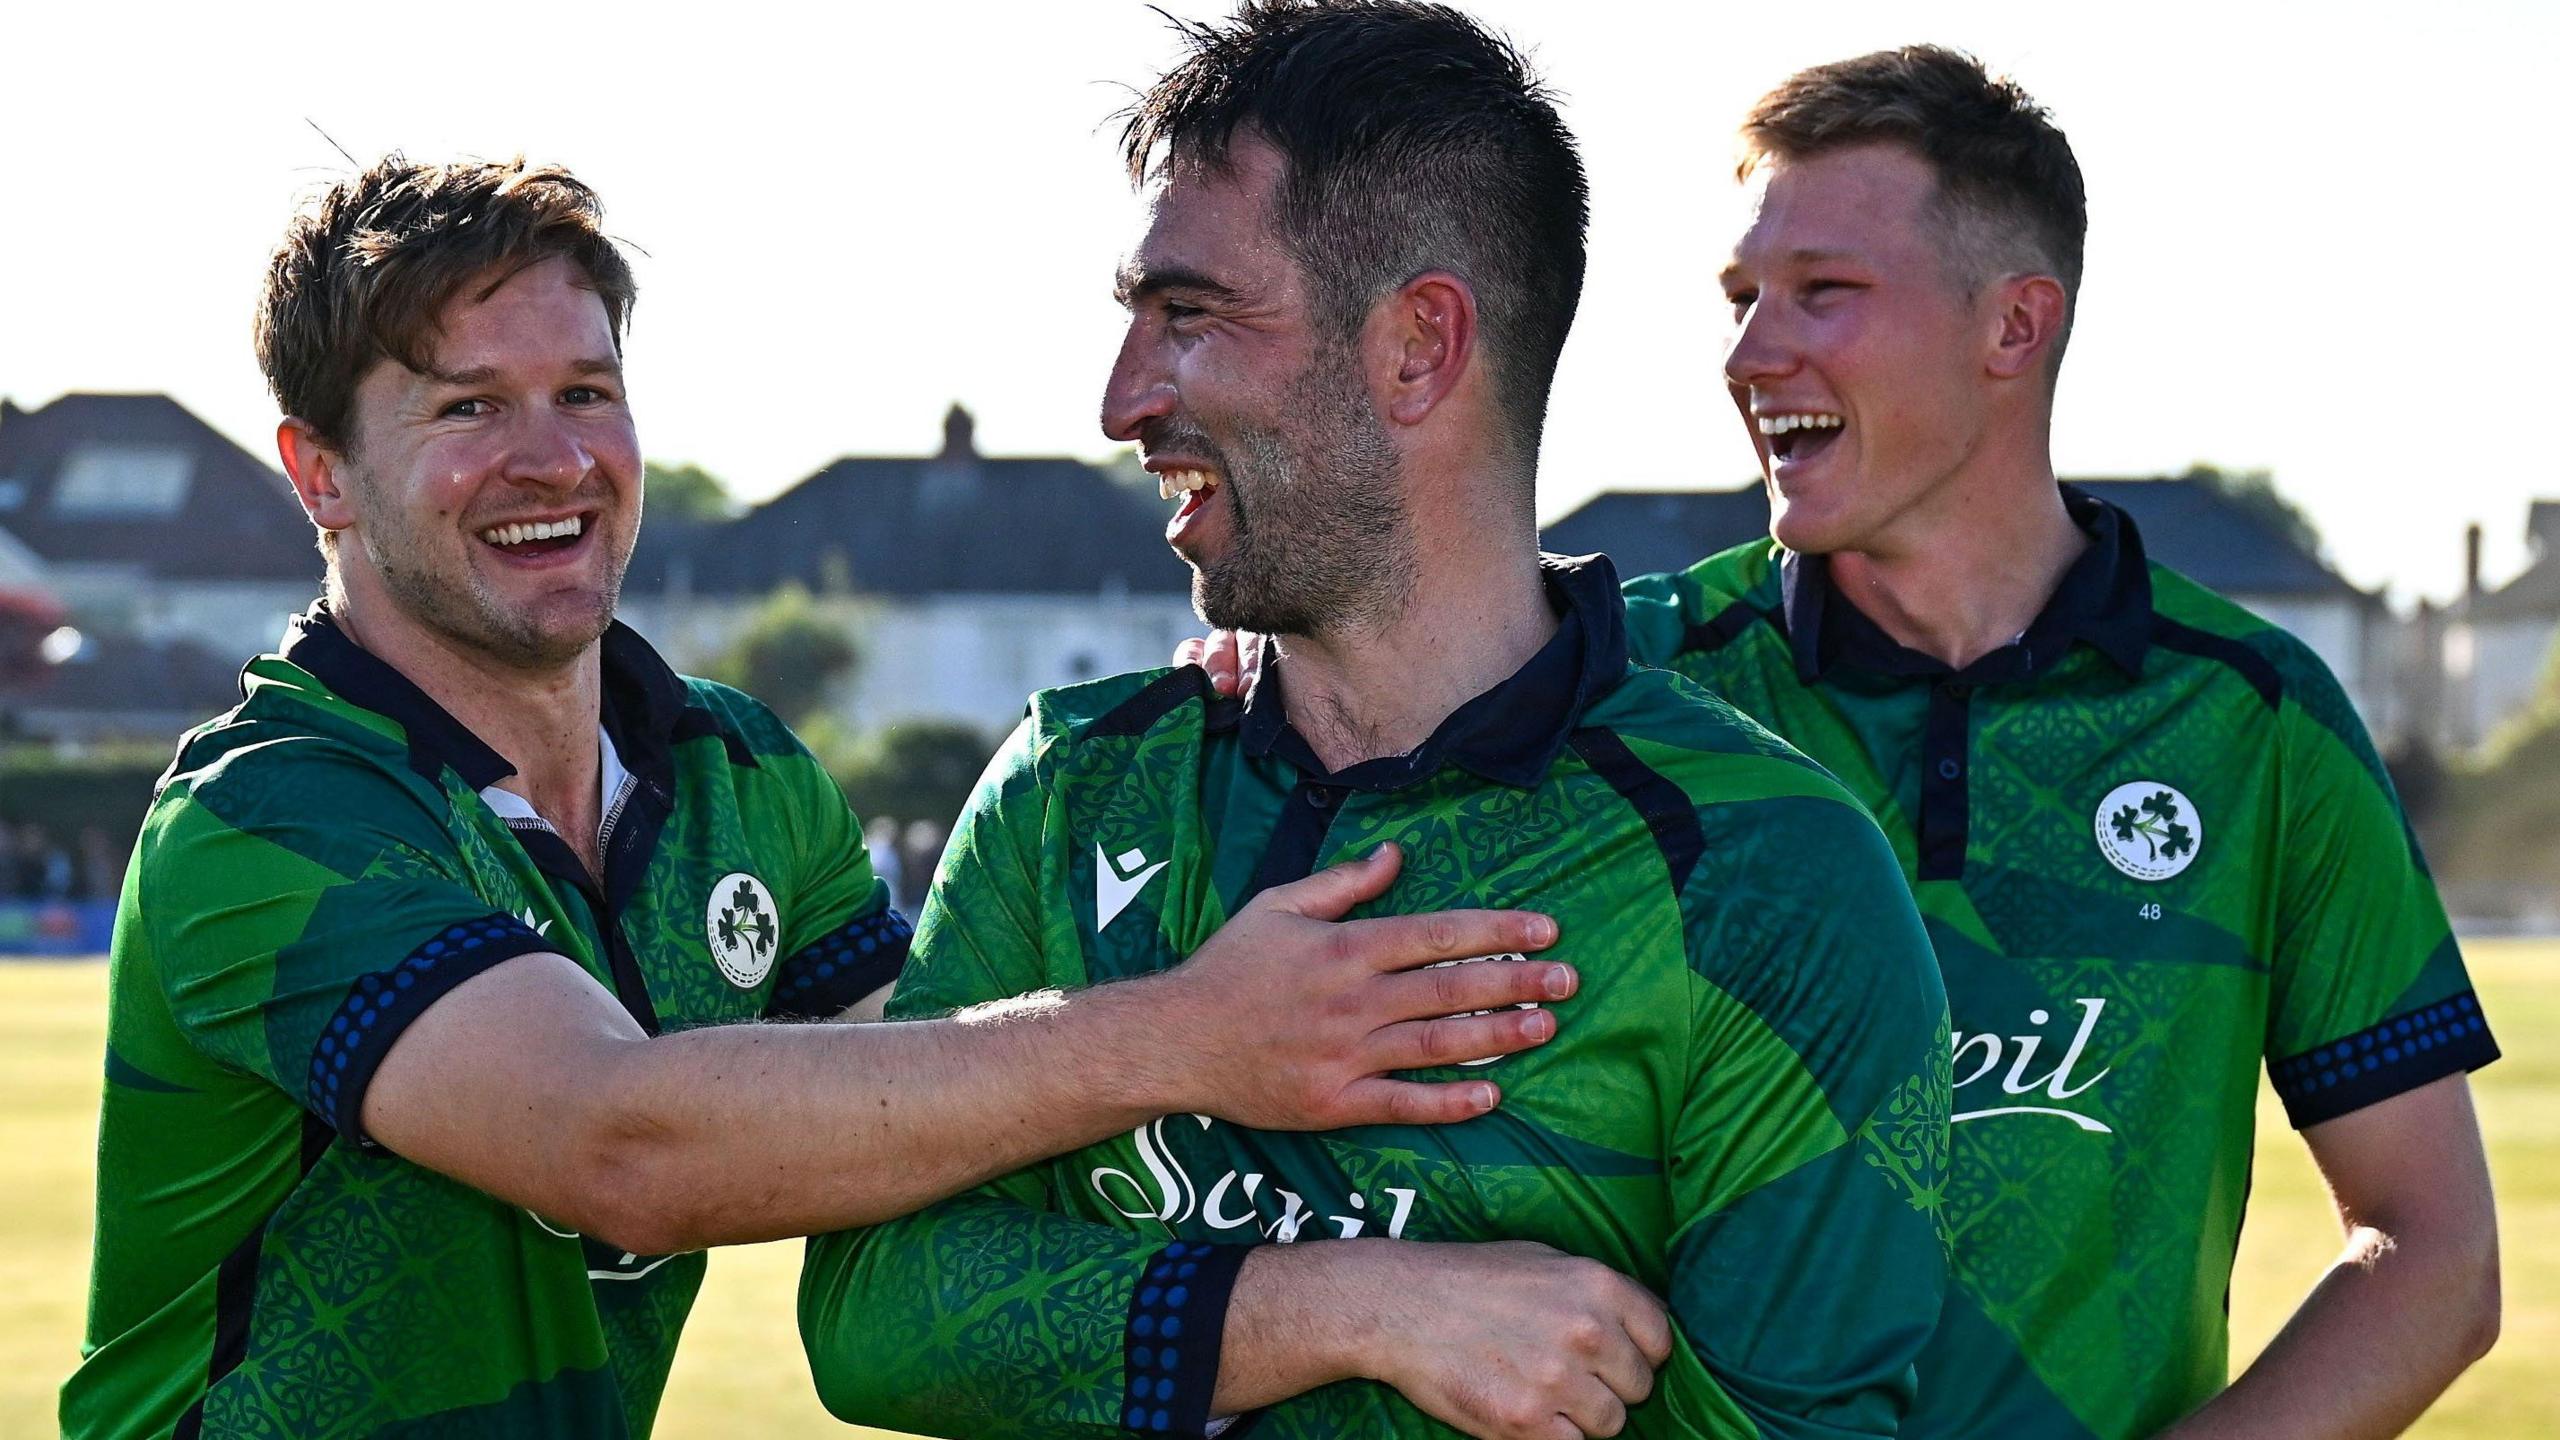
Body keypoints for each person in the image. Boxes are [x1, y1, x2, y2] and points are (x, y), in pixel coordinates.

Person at [62, 154, 1590, 1439]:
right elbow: (624, 1148)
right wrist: (1199, 1033)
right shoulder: (268, 815)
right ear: (318, 473)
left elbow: (937, 1100)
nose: (553, 460)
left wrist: (1220, 753)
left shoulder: (734, 772)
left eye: (586, 390)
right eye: (468, 410)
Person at [1183, 41, 2507, 1440]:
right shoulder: (1603, 679)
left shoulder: (2258, 719)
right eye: (1743, 301)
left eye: (1826, 293)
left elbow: (2433, 1253)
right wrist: (1270, 681)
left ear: (2015, 326)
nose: (1754, 355)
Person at [801, 6, 1951, 1438]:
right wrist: (1346, 1306)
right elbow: (874, 1318)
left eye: (1191, 314)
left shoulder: (1769, 874)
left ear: (1417, 347)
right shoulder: (1074, 785)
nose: (1123, 400)